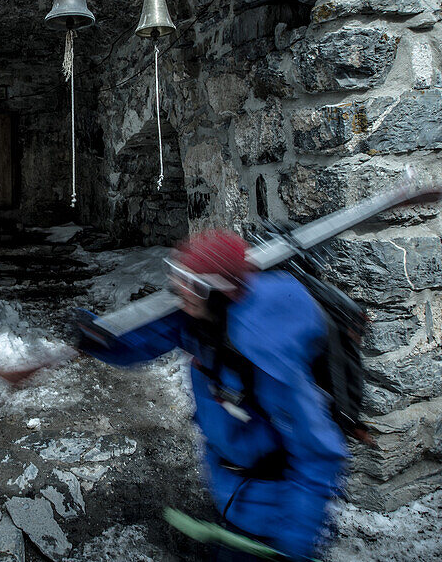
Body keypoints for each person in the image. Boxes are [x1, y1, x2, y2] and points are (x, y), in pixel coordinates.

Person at [77, 229, 350, 561]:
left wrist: (293, 543)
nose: (179, 290)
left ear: (220, 292)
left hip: (272, 516)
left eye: (191, 283)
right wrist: (97, 337)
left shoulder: (266, 357)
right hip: (231, 490)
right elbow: (148, 338)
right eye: (178, 277)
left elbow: (318, 454)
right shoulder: (200, 316)